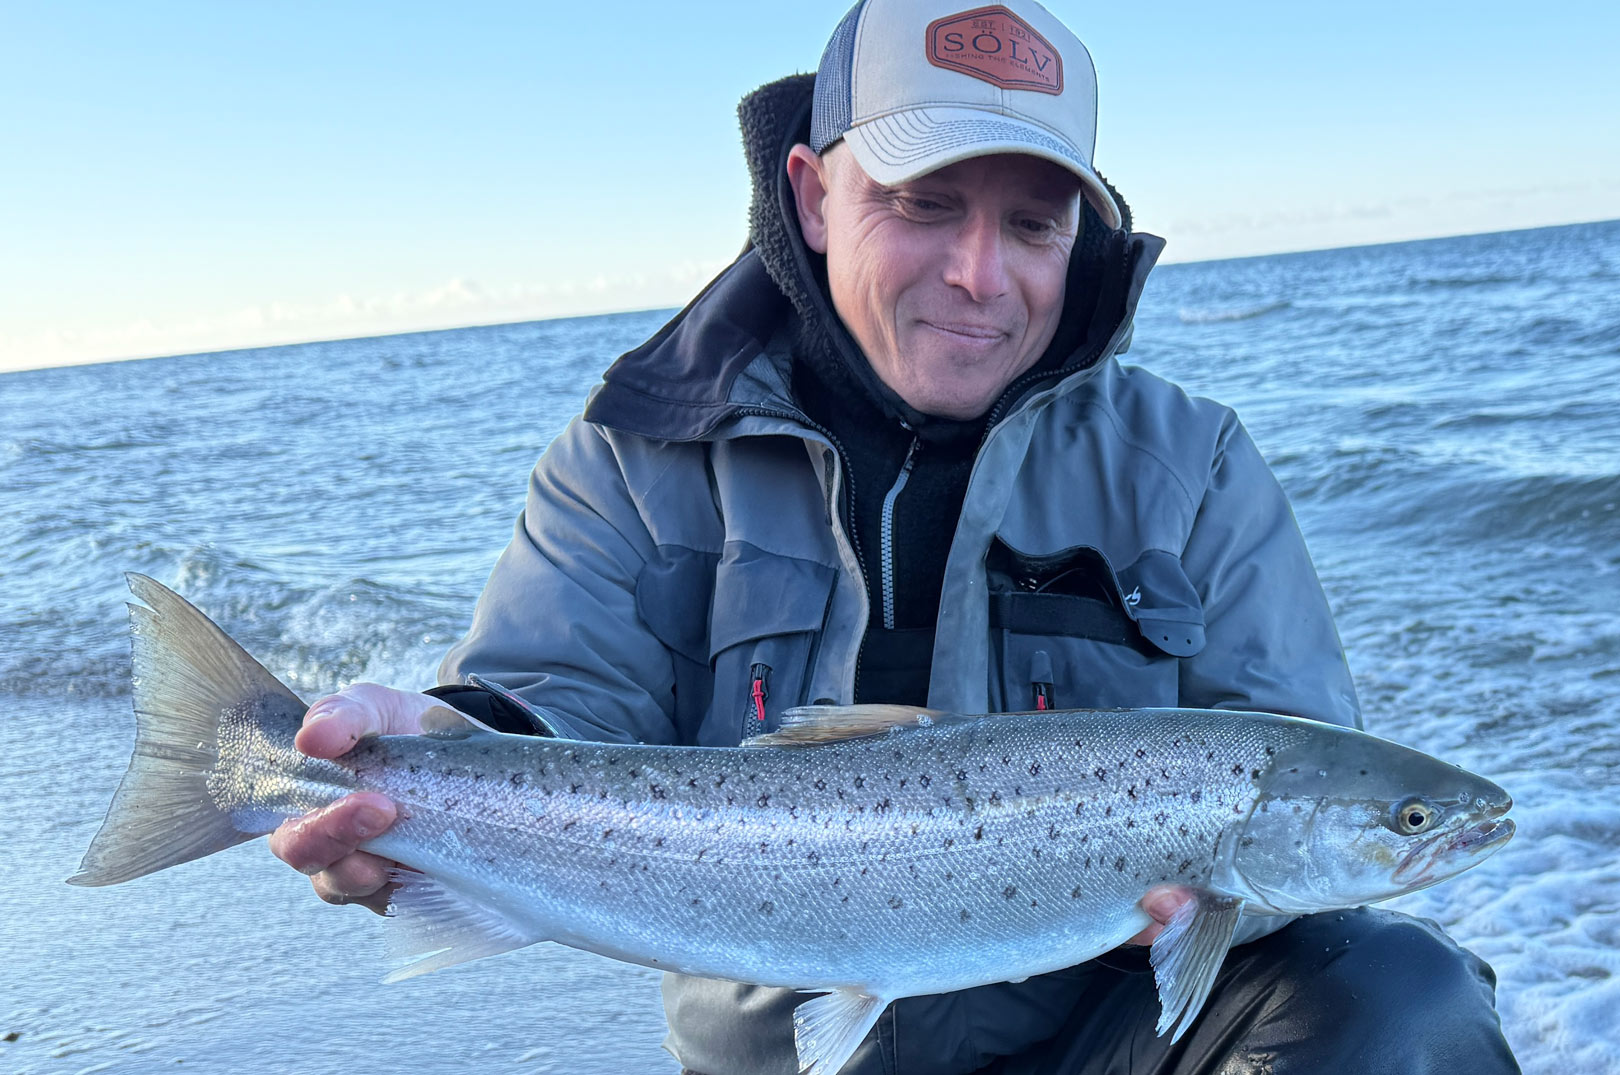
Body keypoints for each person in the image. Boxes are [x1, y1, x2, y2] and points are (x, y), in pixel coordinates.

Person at [270, 1, 1520, 1071]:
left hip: (1106, 1044)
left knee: (1403, 993)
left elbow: (1294, 742)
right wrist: (424, 760)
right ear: (813, 195)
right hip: (779, 1056)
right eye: (926, 203)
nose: (983, 273)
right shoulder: (628, 458)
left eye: (1035, 225)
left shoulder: (1189, 464)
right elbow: (548, 702)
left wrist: (1217, 912)